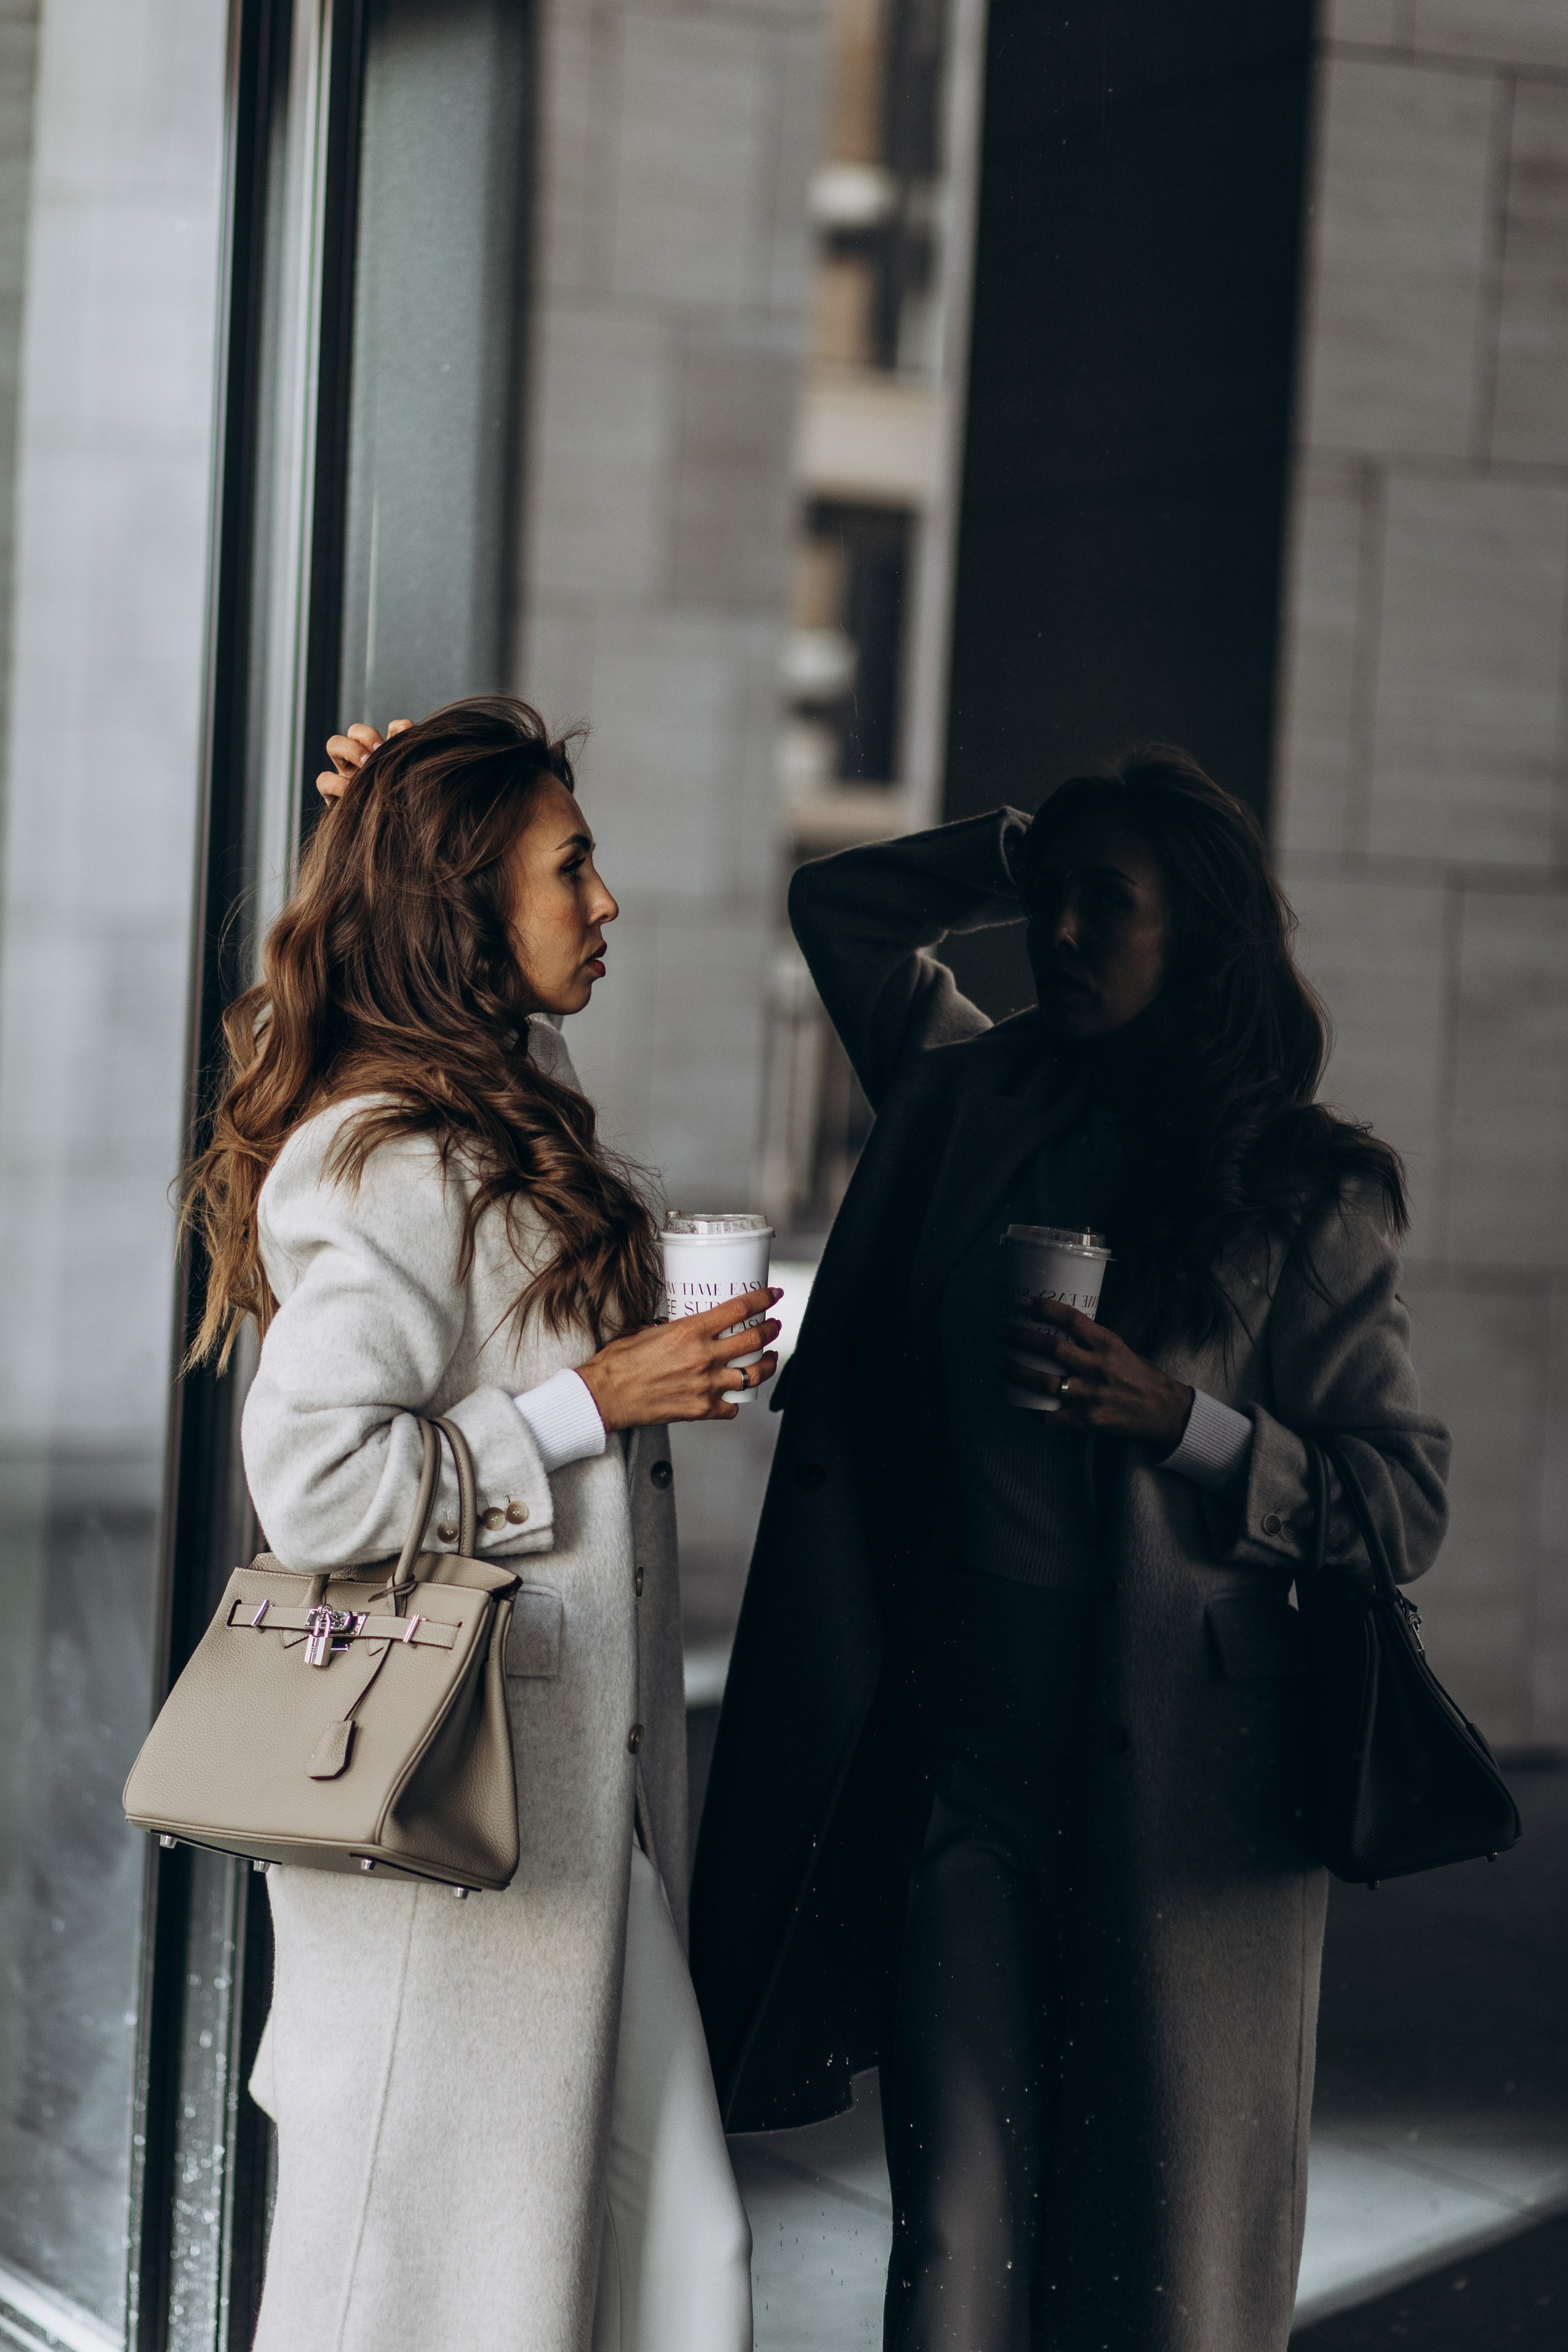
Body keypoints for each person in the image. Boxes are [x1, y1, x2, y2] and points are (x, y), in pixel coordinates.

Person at [689, 750, 1450, 2352]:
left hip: (1188, 1788)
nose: (1063, 933)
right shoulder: (969, 1096)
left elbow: (1403, 1501)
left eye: (1113, 903)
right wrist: (1023, 844)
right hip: (964, 1754)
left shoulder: (1305, 1190)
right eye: (1052, 901)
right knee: (955, 2224)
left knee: (1159, 2246)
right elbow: (841, 908)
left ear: (1202, 931)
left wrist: (1185, 1423)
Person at [184, 696, 775, 2352]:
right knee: (442, 2298)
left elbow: (505, 1136)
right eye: (569, 867)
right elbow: (315, 1483)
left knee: (670, 2267)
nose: (606, 900)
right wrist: (596, 1402)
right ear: (466, 907)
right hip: (452, 1842)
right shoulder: (377, 1159)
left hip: (559, 1844)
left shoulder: (487, 1119)